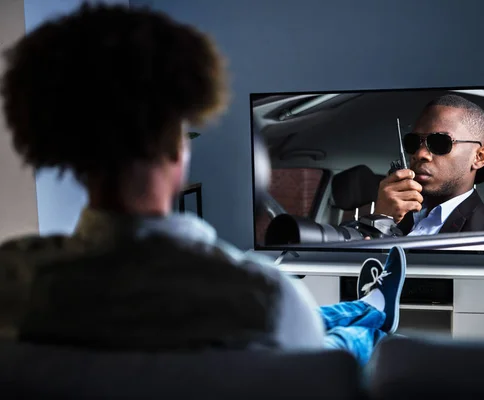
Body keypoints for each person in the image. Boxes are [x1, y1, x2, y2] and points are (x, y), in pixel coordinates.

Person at [0, 3, 404, 367]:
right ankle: (373, 313)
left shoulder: (13, 282)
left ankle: (367, 301)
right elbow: (319, 378)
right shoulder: (264, 296)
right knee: (337, 344)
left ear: (58, 148)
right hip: (289, 343)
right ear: (178, 153)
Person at [373, 94, 484, 235]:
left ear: (479, 157)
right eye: (413, 142)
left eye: (440, 143)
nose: (420, 154)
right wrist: (380, 220)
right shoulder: (395, 213)